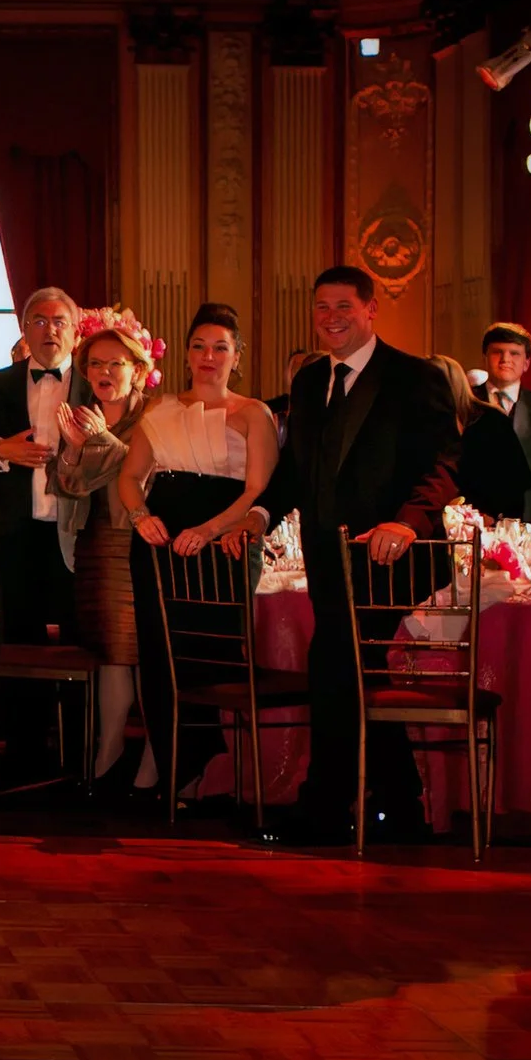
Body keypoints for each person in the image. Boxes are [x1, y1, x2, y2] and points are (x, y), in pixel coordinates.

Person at [250, 267, 460, 845]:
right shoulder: (311, 378)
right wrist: (261, 513)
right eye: (322, 307)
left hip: (393, 557)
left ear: (371, 310)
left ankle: (325, 807)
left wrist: (407, 522)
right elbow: (300, 470)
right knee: (356, 671)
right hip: (326, 559)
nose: (332, 317)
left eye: (344, 305)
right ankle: (400, 805)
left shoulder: (415, 377)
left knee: (335, 665)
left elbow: (443, 464)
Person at [117, 304, 279, 797]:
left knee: (213, 658)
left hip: (223, 545)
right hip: (159, 546)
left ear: (237, 356)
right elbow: (130, 477)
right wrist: (142, 517)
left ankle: (212, 774)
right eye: (199, 346)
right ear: (186, 354)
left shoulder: (254, 412)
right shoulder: (160, 409)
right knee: (162, 655)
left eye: (220, 347)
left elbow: (256, 491)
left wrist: (209, 530)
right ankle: (170, 765)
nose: (208, 356)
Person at [50, 322, 152, 785]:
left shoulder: (154, 415)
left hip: (136, 542)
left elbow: (145, 474)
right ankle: (109, 753)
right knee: (110, 650)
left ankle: (147, 757)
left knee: (141, 650)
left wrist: (100, 442)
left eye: (116, 363)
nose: (104, 371)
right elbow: (68, 486)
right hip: (93, 544)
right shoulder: (84, 415)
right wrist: (74, 449)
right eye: (95, 363)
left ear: (137, 370)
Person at [0, 288, 90, 643]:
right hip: (15, 532)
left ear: (75, 332)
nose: (49, 331)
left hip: (80, 532)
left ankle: (77, 702)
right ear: (24, 330)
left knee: (81, 639)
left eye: (59, 322)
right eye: (39, 321)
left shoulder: (96, 386)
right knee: (19, 642)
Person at [432, 355, 531, 522]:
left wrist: (493, 516)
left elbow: (516, 478)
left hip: (486, 525)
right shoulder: (421, 423)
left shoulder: (492, 421)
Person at [477, 322, 531, 470]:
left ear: (526, 363)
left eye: (514, 353)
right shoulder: (465, 403)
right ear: (484, 358)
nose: (505, 359)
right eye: (497, 352)